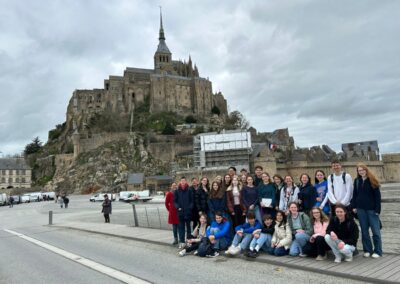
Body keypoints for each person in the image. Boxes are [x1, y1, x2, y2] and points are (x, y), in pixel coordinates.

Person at [351, 163, 382, 258]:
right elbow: (355, 195)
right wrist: (354, 206)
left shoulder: (372, 180)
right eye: (359, 170)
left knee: (375, 231)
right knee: (364, 231)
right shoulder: (357, 181)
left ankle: (378, 251)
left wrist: (377, 209)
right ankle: (367, 250)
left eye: (362, 170)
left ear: (366, 170)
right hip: (360, 210)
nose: (361, 172)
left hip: (372, 210)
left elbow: (377, 197)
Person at [174, 177, 194, 249]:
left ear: (186, 182)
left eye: (184, 181)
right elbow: (175, 201)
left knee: (189, 228)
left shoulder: (189, 190)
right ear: (180, 182)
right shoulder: (177, 191)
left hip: (188, 212)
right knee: (181, 228)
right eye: (182, 181)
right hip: (180, 213)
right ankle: (182, 242)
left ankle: (188, 241)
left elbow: (192, 201)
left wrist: (190, 207)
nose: (183, 182)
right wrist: (177, 207)